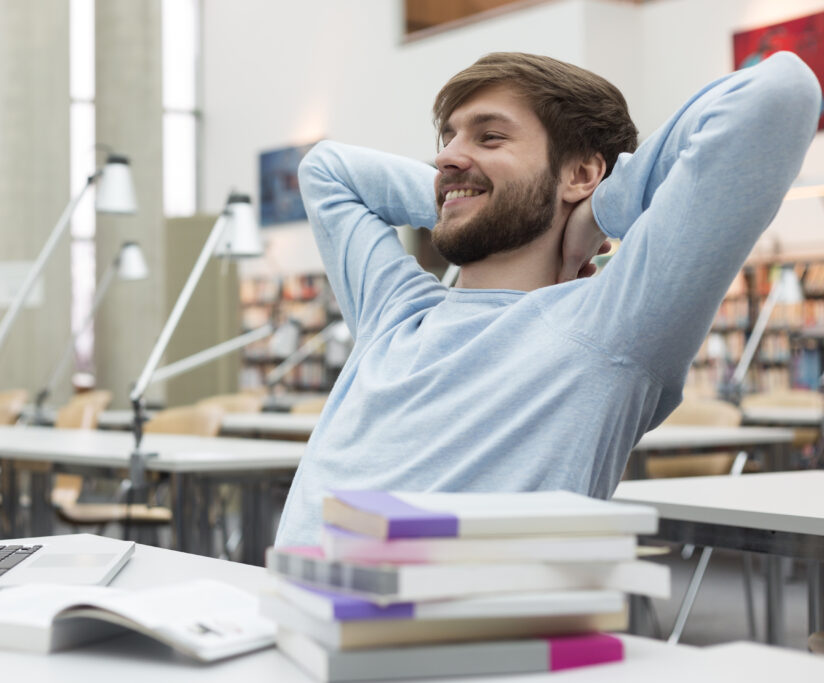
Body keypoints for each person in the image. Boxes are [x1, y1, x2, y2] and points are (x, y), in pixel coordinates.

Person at [273, 51, 821, 547]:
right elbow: (326, 170)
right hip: (285, 620)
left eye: (490, 137)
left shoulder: (611, 323)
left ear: (581, 172)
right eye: (448, 139)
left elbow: (781, 92)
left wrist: (596, 211)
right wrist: (472, 194)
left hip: (429, 640)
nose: (447, 157)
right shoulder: (396, 311)